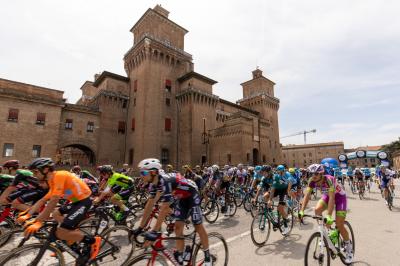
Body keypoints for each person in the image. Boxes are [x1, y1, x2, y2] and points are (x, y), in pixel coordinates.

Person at [17, 158, 101, 261]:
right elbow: (43, 200)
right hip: (75, 201)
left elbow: (54, 200)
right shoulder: (51, 180)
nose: (34, 175)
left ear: (46, 169)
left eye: (36, 172)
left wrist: (39, 221)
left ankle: (92, 241)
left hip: (84, 201)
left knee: (61, 232)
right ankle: (72, 234)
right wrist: (28, 214)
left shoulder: (59, 175)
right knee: (56, 214)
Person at [133, 158, 212, 266]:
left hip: (192, 194)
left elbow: (164, 208)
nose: (141, 175)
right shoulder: (153, 184)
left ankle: (207, 255)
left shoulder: (165, 181)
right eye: (140, 172)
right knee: (178, 227)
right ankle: (181, 254)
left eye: (143, 172)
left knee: (197, 225)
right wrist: (140, 228)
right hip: (181, 197)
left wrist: (155, 231)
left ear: (153, 172)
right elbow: (149, 205)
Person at [299, 164, 353, 264]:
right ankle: (325, 233)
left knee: (339, 224)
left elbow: (332, 199)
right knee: (317, 210)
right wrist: (301, 211)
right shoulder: (311, 181)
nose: (313, 176)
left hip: (340, 198)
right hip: (327, 197)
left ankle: (348, 246)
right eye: (311, 173)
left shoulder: (329, 179)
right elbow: (306, 196)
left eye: (316, 173)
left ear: (321, 173)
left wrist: (328, 215)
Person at [267, 165, 290, 235]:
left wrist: (288, 192)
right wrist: (270, 200)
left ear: (284, 171)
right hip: (277, 189)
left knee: (280, 207)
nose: (280, 173)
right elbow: (273, 189)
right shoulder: (276, 177)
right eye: (278, 172)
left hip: (284, 190)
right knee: (266, 196)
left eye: (281, 172)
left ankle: (286, 226)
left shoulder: (288, 175)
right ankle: (274, 217)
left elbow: (290, 184)